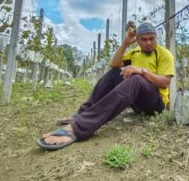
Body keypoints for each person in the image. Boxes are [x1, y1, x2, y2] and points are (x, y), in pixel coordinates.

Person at [37, 22, 175, 150]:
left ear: (156, 37)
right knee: (115, 73)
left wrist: (142, 71)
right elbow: (114, 65)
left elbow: (165, 82)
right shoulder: (134, 52)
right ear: (137, 40)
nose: (149, 43)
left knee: (137, 78)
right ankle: (81, 113)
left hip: (155, 104)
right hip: (137, 104)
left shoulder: (164, 54)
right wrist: (125, 43)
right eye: (144, 40)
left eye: (152, 38)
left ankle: (79, 128)